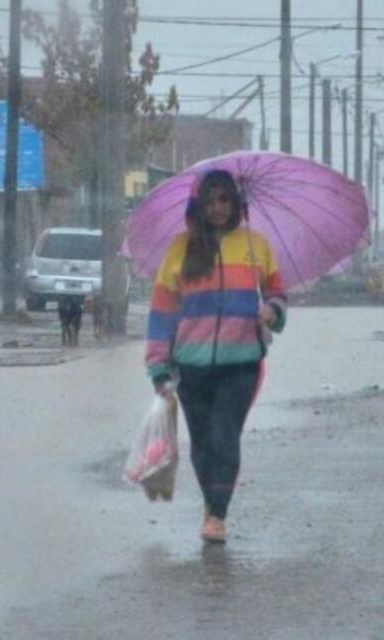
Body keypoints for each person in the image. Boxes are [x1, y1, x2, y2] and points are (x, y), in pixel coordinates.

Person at [144, 169, 287, 544]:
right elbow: (162, 312)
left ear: (236, 203)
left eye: (225, 199)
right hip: (190, 365)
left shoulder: (256, 245)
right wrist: (158, 366)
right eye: (210, 200)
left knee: (225, 435)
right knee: (204, 442)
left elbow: (277, 293)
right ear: (199, 204)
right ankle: (212, 501)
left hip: (241, 363)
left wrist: (272, 310)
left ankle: (218, 516)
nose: (218, 207)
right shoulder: (180, 249)